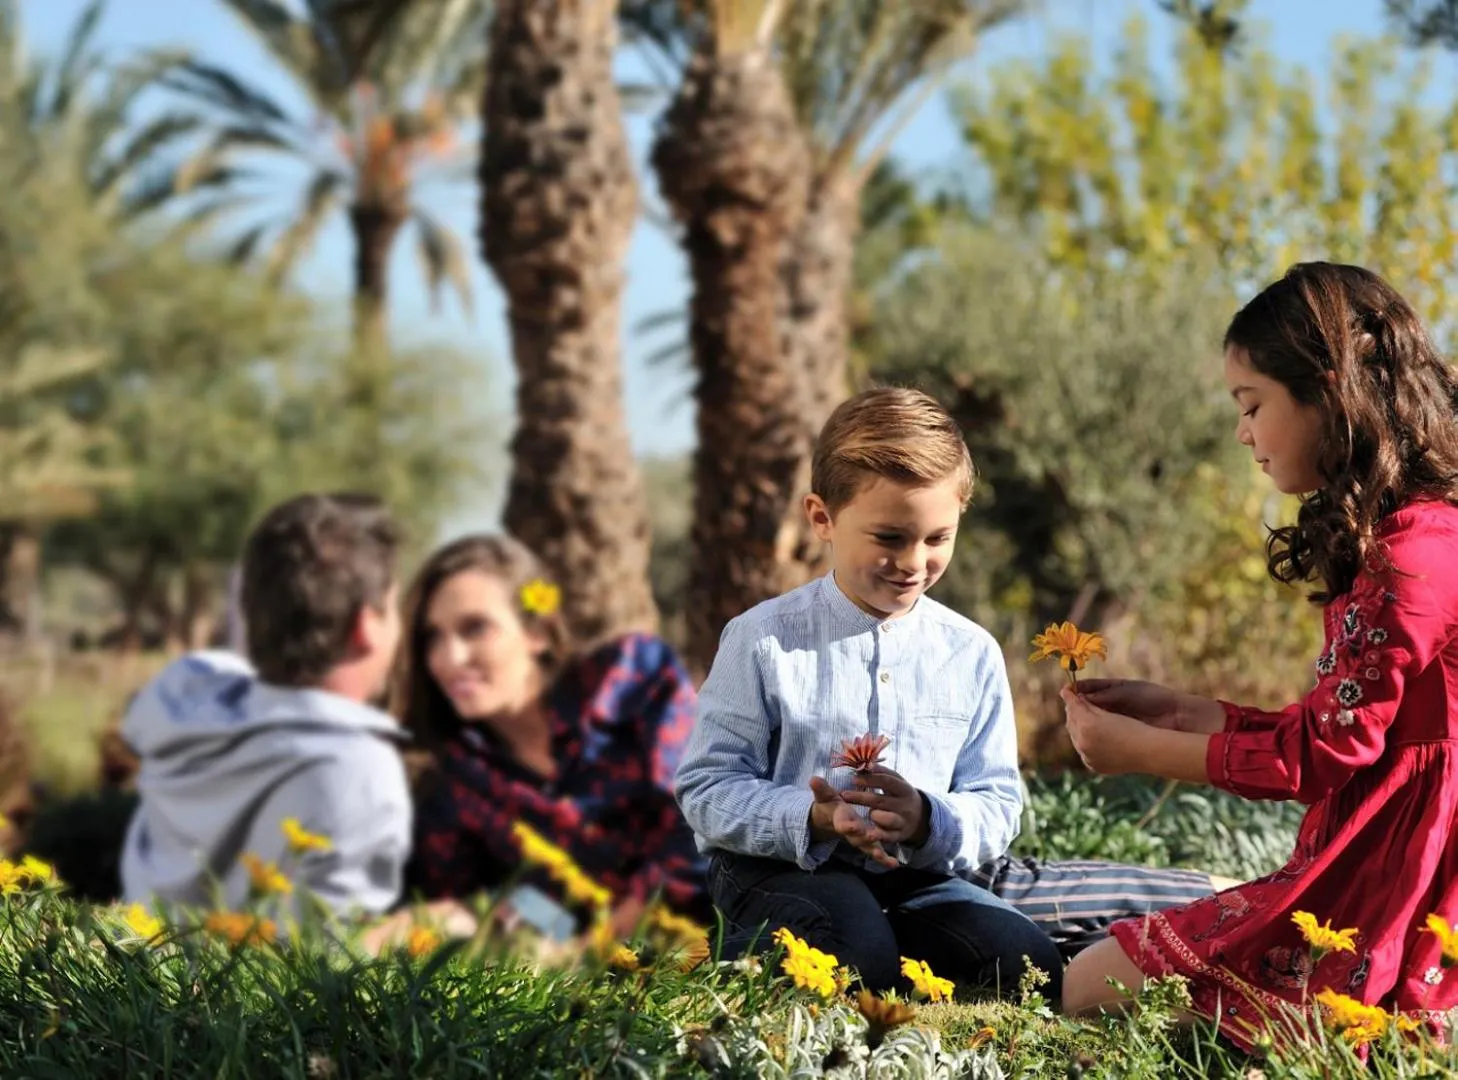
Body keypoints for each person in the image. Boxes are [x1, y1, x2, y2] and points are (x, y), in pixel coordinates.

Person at [1059, 262, 1458, 1047]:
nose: (1242, 433)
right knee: (1091, 981)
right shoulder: (1413, 533)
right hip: (1374, 855)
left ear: (1328, 390)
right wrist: (1181, 712)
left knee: (1088, 986)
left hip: (1405, 881)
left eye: (1252, 406)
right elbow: (1348, 728)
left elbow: (1325, 754)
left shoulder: (1413, 557)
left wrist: (1139, 751)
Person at [674, 387, 1065, 1000]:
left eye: (938, 538)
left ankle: (886, 952)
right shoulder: (763, 639)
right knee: (851, 952)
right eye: (889, 538)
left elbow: (996, 799)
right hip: (775, 868)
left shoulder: (971, 653)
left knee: (1026, 962)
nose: (914, 562)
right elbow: (706, 787)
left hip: (914, 878)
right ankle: (760, 953)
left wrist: (924, 819)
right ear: (822, 517)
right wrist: (816, 817)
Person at [120, 493, 471, 947]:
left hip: (131, 986)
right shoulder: (360, 770)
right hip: (231, 1012)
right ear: (366, 625)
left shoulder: (184, 688)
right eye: (393, 608)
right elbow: (324, 964)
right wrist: (430, 926)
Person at [394, 535, 710, 937]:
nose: (450, 659)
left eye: (475, 628)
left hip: (749, 956)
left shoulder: (630, 681)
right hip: (608, 985)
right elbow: (519, 908)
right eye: (432, 637)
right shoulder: (458, 781)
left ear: (538, 631)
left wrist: (602, 943)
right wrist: (471, 919)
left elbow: (701, 820)